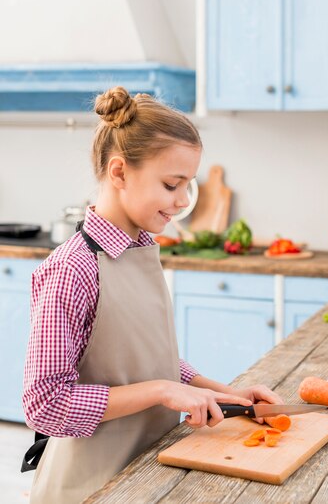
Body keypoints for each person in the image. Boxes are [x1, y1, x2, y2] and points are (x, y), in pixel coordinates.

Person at [23, 86, 283, 503]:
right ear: (120, 172)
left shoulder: (140, 250)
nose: (182, 202)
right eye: (171, 184)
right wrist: (163, 392)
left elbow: (143, 358)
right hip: (91, 486)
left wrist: (224, 392)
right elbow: (46, 405)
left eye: (188, 186)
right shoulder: (73, 270)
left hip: (146, 472)